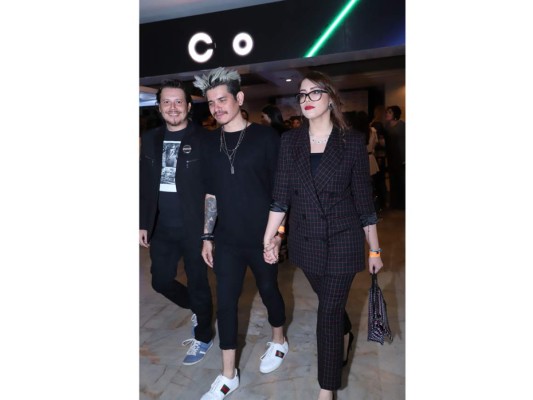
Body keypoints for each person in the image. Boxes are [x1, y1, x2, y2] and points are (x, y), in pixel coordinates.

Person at [262, 71, 384, 400]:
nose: (307, 99)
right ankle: (345, 331)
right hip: (306, 242)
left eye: (315, 92)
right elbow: (280, 198)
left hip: (343, 240)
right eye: (302, 95)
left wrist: (374, 249)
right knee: (330, 302)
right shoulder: (290, 142)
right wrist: (270, 237)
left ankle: (326, 389)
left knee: (327, 312)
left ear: (331, 98)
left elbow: (364, 202)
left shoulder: (351, 142)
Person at [193, 67, 288, 400]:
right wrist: (207, 236)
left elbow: (281, 191)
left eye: (222, 100)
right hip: (227, 239)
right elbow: (210, 194)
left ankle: (279, 340)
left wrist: (278, 234)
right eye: (211, 102)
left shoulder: (266, 138)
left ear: (240, 98)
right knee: (226, 303)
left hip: (263, 236)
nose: (216, 107)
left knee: (269, 290)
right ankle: (228, 374)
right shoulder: (209, 143)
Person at [139, 79, 214, 366]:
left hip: (193, 226)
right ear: (159, 107)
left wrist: (208, 232)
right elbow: (144, 183)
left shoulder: (205, 139)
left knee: (198, 282)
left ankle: (204, 335)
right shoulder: (150, 138)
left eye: (178, 101)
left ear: (188, 106)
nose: (173, 107)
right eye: (167, 102)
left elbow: (213, 189)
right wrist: (142, 222)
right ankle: (197, 307)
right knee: (160, 281)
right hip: (161, 225)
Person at [384, 105, 405, 209]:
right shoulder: (386, 126)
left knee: (402, 181)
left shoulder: (402, 125)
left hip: (402, 157)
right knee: (393, 181)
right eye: (387, 112)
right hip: (391, 157)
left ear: (395, 114)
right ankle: (394, 204)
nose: (387, 114)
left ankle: (403, 204)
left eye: (390, 112)